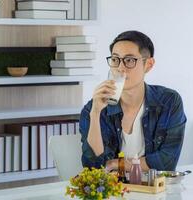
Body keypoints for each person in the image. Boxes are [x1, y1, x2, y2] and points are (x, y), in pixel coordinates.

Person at [79, 30, 187, 172]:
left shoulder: (169, 102)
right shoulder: (93, 108)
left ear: (148, 65)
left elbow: (167, 162)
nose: (120, 68)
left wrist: (117, 164)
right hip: (113, 190)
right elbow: (94, 167)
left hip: (154, 190)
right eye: (115, 60)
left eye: (129, 60)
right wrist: (95, 113)